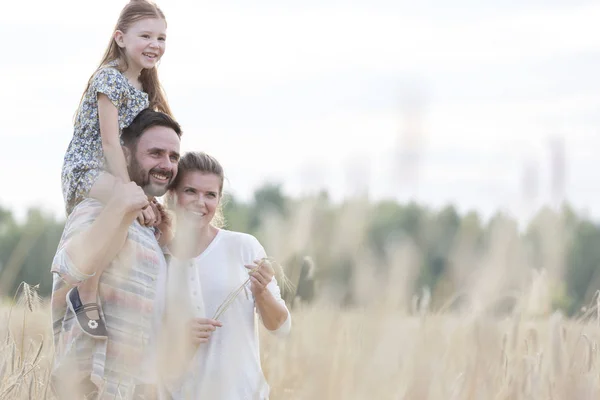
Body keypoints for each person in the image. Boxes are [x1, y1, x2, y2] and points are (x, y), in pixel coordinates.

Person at [50, 109, 182, 399]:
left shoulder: (148, 227)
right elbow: (69, 268)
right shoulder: (97, 207)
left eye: (174, 157)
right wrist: (120, 205)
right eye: (156, 153)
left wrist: (166, 242)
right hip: (97, 388)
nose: (166, 164)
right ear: (124, 155)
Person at [60, 0, 172, 338]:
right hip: (86, 169)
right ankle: (86, 289)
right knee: (128, 205)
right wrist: (130, 192)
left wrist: (146, 198)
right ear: (121, 38)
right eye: (147, 36)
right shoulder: (109, 78)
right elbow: (110, 144)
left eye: (162, 38)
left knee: (134, 214)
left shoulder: (143, 90)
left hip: (112, 173)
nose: (155, 45)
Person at [164, 152, 291, 399]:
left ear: (219, 200)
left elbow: (282, 328)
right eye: (190, 191)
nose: (201, 202)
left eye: (210, 194)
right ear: (171, 195)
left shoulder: (244, 247)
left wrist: (261, 293)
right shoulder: (158, 259)